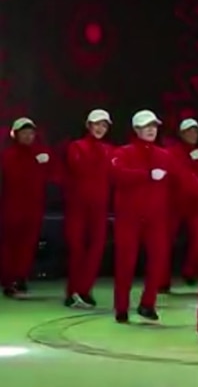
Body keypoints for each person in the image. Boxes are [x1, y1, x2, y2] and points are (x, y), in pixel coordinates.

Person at [111, 110, 198, 323]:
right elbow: (116, 175)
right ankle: (122, 307)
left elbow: (186, 178)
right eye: (146, 126)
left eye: (154, 125)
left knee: (158, 260)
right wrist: (145, 175)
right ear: (136, 130)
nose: (151, 129)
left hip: (155, 219)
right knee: (125, 263)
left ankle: (148, 304)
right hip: (129, 218)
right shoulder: (123, 153)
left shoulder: (164, 155)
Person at [64, 109, 114, 308]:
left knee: (96, 248)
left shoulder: (110, 149)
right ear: (88, 125)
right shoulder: (77, 146)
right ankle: (73, 290)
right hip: (78, 206)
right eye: (97, 124)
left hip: (99, 207)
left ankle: (85, 289)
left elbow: (113, 173)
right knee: (76, 248)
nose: (100, 128)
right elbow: (78, 168)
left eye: (104, 125)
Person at [0, 117, 53, 297]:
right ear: (16, 135)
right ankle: (9, 280)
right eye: (24, 132)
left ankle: (21, 277)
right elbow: (14, 176)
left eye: (31, 133)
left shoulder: (41, 154)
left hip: (34, 208)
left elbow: (52, 175)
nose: (28, 136)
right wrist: (34, 163)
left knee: (28, 245)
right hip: (13, 207)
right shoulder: (9, 155)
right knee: (10, 245)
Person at [163, 118, 198, 290]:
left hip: (195, 204)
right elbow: (181, 176)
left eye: (195, 131)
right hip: (173, 204)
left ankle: (190, 270)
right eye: (189, 131)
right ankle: (162, 280)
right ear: (181, 134)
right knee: (165, 243)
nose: (193, 134)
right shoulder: (172, 152)